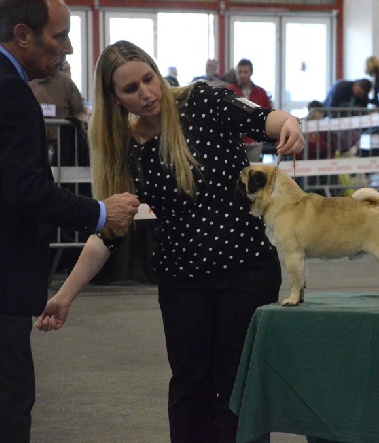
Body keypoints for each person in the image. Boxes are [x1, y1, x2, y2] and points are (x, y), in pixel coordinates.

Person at [34, 40, 304, 443]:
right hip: (182, 279)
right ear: (114, 98)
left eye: (149, 79)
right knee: (188, 388)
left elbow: (265, 118)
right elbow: (109, 231)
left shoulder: (203, 100)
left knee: (238, 386)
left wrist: (289, 125)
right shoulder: (122, 146)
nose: (146, 93)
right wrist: (65, 296)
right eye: (131, 89)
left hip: (246, 269)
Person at [0, 1, 140, 441]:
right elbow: (23, 191)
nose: (70, 48)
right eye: (59, 36)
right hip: (5, 283)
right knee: (9, 404)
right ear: (23, 35)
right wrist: (99, 211)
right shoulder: (11, 92)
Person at [227, 58, 273, 163]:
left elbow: (267, 114)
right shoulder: (230, 91)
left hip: (254, 140)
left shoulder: (261, 93)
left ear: (251, 73)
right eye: (240, 72)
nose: (242, 75)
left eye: (245, 72)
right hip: (234, 139)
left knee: (253, 169)